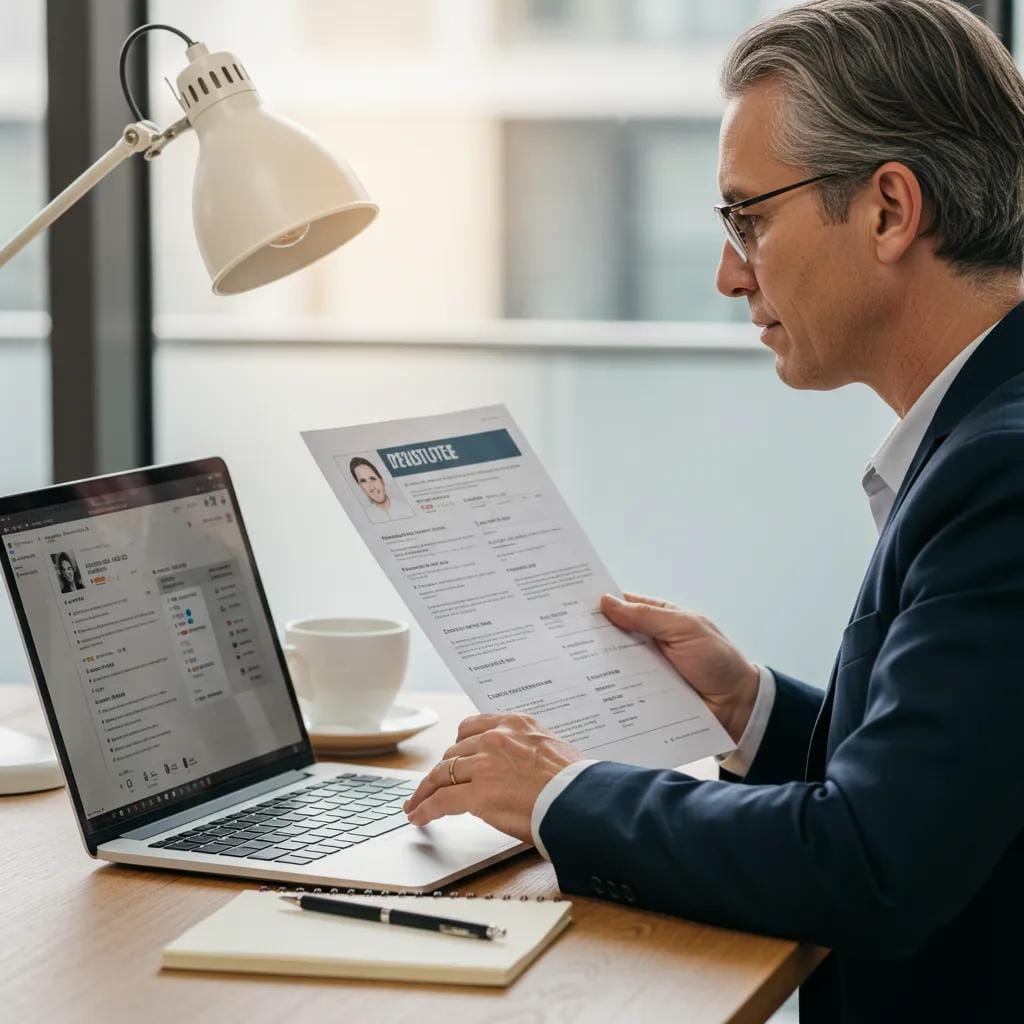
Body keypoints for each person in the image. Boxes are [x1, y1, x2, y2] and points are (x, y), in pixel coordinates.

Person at [403, 2, 1024, 1019]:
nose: (730, 274)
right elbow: (961, 781)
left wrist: (560, 792)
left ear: (888, 211)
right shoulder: (988, 433)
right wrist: (748, 705)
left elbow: (873, 861)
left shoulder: (1000, 473)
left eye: (749, 219)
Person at [348, 456, 414, 523]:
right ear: (360, 486)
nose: (371, 487)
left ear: (382, 481)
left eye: (373, 478)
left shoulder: (406, 508)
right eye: (363, 481)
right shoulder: (364, 518)